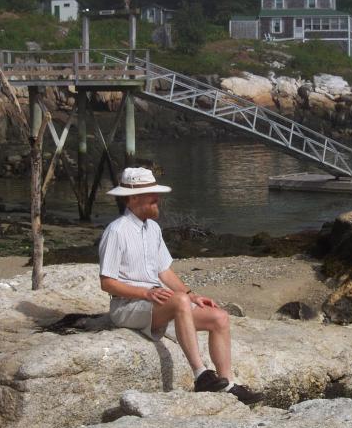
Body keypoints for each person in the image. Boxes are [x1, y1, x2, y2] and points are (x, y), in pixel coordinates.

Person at [99, 166, 262, 405]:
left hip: (158, 305)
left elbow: (164, 271)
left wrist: (191, 295)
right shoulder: (116, 231)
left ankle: (227, 384)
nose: (158, 198)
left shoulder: (153, 229)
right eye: (152, 194)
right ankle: (200, 375)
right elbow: (107, 283)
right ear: (133, 198)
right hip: (127, 307)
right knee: (179, 301)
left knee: (219, 317)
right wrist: (145, 293)